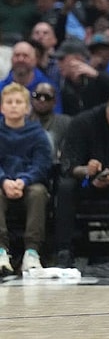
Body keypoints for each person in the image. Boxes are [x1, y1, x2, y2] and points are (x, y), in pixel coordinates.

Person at [54, 90, 109, 267]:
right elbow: (68, 166)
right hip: (84, 182)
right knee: (65, 187)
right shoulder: (82, 122)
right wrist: (86, 169)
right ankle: (64, 251)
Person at [0, 83, 51, 274]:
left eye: (18, 102)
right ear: (1, 107)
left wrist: (23, 180)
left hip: (28, 184)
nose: (14, 105)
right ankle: (1, 251)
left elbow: (42, 165)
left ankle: (32, 252)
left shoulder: (37, 134)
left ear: (27, 107)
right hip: (2, 183)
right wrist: (4, 181)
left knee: (38, 192)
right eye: (9, 102)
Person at [53, 38, 109, 116]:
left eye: (62, 59)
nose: (58, 64)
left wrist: (97, 75)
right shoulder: (61, 83)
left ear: (77, 58)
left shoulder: (97, 80)